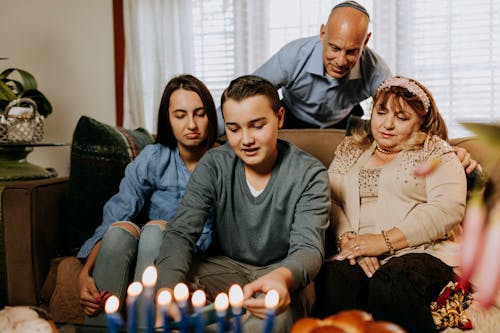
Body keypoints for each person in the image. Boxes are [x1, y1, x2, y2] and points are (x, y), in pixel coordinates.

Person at [155, 75, 330, 332]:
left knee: (272, 318)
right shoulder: (214, 163)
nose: (245, 140)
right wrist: (167, 290)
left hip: (282, 272)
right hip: (225, 268)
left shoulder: (310, 172)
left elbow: (308, 247)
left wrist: (282, 278)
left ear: (279, 118)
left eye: (257, 126)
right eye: (234, 129)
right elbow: (181, 231)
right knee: (164, 289)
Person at [313, 76, 467, 333]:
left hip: (423, 252)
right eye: (381, 112)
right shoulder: (352, 146)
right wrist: (349, 241)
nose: (387, 124)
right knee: (336, 279)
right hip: (358, 249)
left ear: (421, 121)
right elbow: (330, 198)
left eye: (402, 117)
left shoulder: (434, 151)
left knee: (391, 282)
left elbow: (447, 209)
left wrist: (382, 241)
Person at [77, 74, 219, 323]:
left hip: (188, 253)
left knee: (156, 230)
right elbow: (116, 215)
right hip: (148, 251)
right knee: (120, 231)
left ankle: (148, 324)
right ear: (168, 119)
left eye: (200, 113)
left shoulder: (225, 160)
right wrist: (84, 273)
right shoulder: (154, 157)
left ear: (211, 116)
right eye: (180, 115)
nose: (192, 125)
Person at [253, 1, 391, 130]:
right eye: (335, 48)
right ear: (322, 33)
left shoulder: (376, 69)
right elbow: (248, 92)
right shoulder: (293, 56)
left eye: (351, 52)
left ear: (365, 42)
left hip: (345, 121)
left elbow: (397, 108)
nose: (341, 61)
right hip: (292, 118)